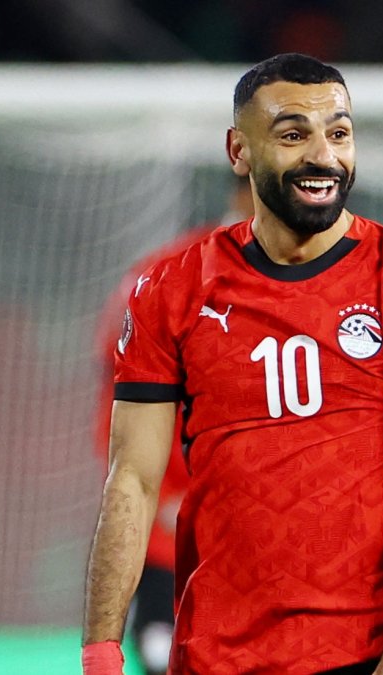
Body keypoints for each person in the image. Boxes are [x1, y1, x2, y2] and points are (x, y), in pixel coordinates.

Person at [82, 53, 383, 675]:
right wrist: (102, 647)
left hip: (366, 654)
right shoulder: (170, 289)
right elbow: (131, 477)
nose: (322, 155)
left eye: (338, 133)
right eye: (294, 135)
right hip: (215, 652)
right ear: (239, 151)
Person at [91, 177, 253, 675]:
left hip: (290, 547)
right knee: (167, 655)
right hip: (176, 545)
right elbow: (120, 400)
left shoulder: (347, 283)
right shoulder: (168, 277)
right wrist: (166, 500)